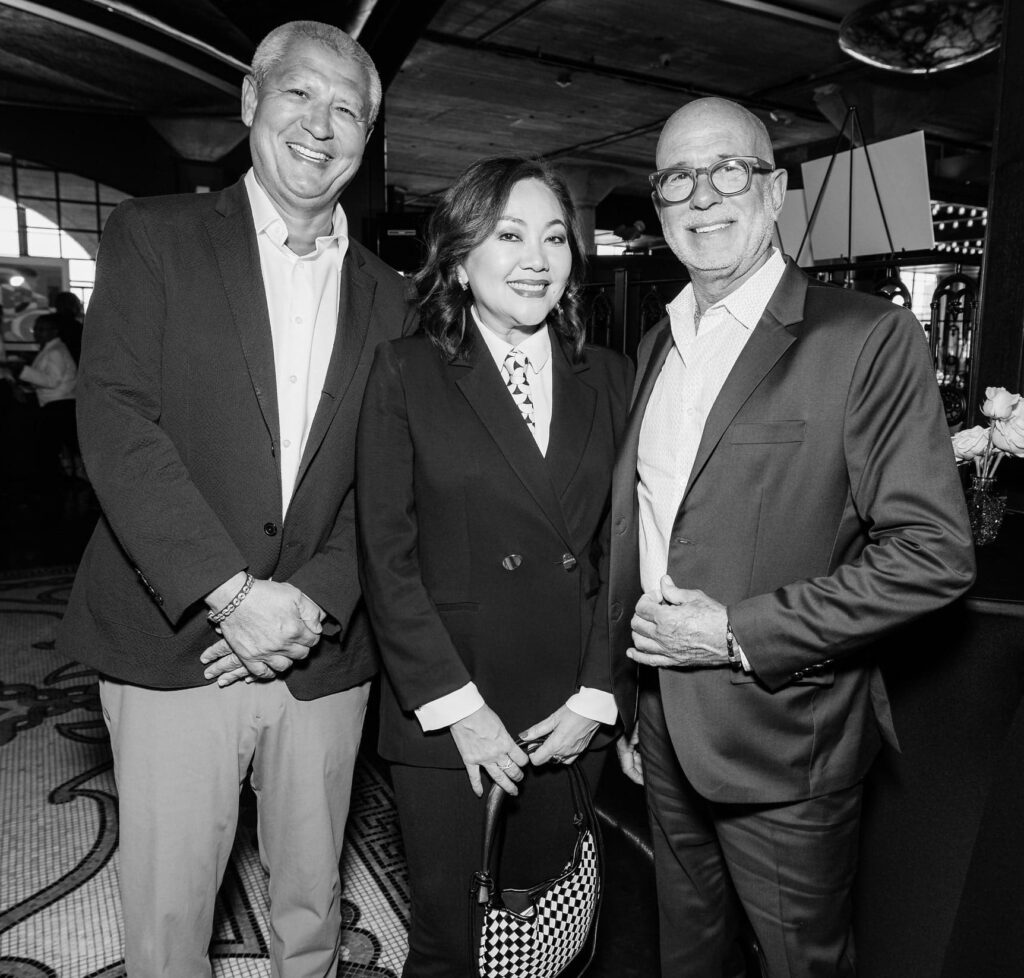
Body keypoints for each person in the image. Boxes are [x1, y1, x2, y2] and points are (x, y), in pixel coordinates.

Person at [59, 21, 416, 978]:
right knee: (169, 919)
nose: (321, 124)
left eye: (348, 109)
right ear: (251, 102)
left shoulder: (396, 297)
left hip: (322, 644)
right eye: (300, 93)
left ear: (367, 137)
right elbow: (117, 425)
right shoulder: (153, 236)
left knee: (312, 905)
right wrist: (230, 591)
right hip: (176, 636)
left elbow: (394, 475)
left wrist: (314, 601)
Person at [608, 97, 976, 977]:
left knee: (800, 963)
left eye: (727, 170)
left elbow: (934, 553)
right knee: (687, 954)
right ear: (660, 208)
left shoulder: (865, 336)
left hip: (785, 736)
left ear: (774, 192)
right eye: (678, 180)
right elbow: (649, 526)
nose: (704, 196)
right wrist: (630, 697)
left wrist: (735, 633)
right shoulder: (657, 342)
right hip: (662, 722)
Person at [357, 156, 632, 977]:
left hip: (566, 707)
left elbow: (626, 549)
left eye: (555, 237)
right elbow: (386, 555)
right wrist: (454, 706)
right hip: (452, 705)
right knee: (451, 941)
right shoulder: (405, 372)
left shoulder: (610, 377)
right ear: (459, 256)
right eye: (509, 235)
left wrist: (599, 692)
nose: (537, 259)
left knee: (548, 927)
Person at [16, 312, 78, 475]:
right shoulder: (52, 349)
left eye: (42, 329)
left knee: (46, 450)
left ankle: (55, 487)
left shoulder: (55, 352)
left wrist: (23, 371)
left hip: (59, 406)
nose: (37, 333)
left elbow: (52, 381)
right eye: (36, 329)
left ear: (54, 331)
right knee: (51, 449)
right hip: (59, 405)